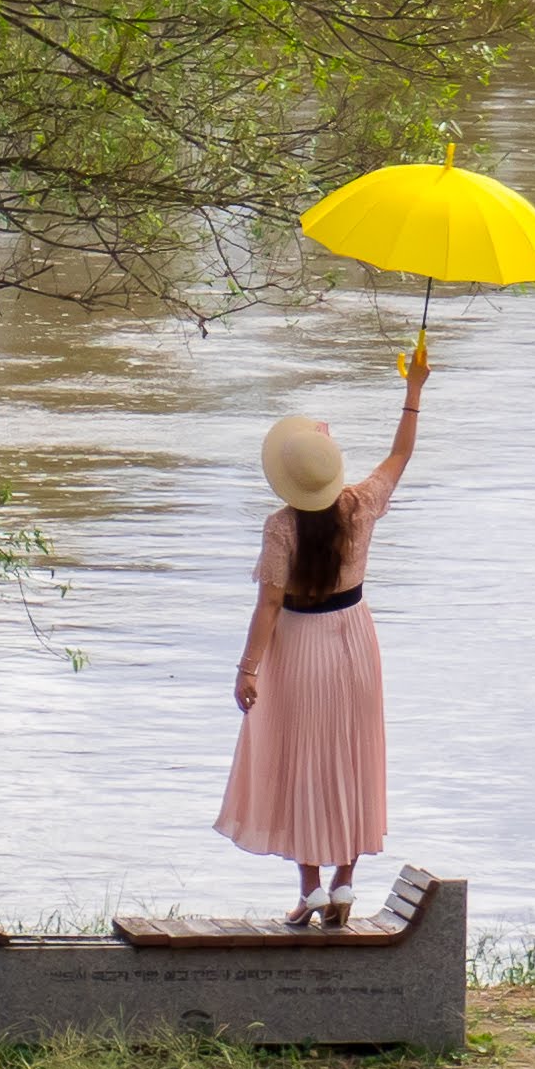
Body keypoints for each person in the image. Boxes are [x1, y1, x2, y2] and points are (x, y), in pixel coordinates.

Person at [216, 337, 426, 928]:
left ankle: (310, 888)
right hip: (354, 638)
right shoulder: (361, 505)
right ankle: (345, 882)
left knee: (302, 762)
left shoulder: (281, 527)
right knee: (351, 757)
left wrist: (248, 669)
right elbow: (401, 453)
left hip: (299, 644)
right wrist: (414, 388)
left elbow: (268, 605)